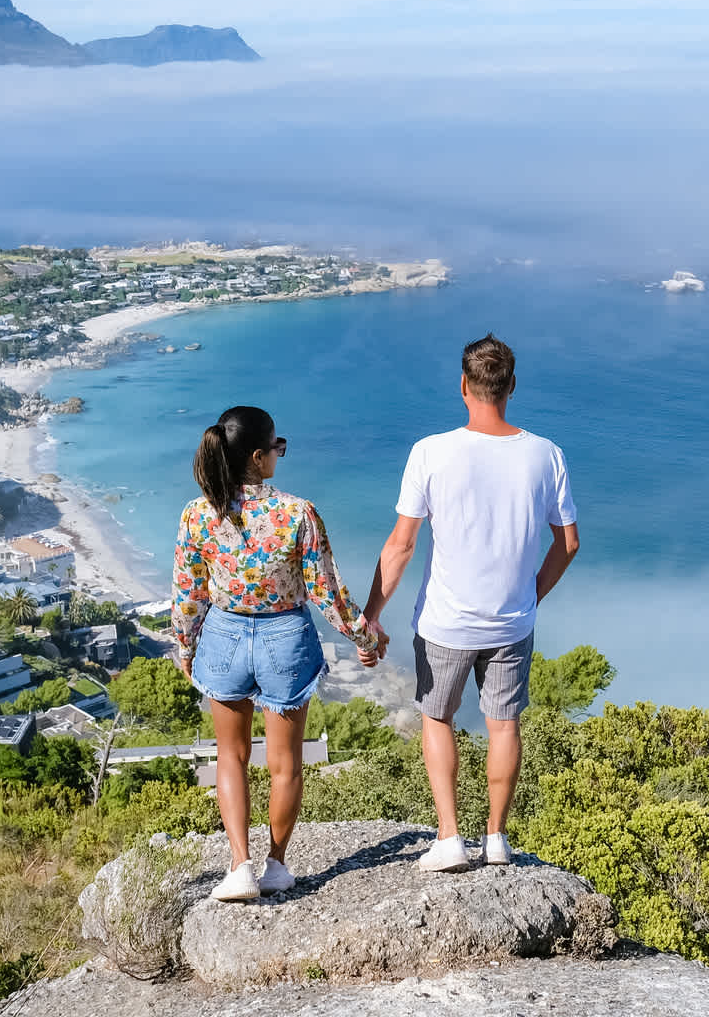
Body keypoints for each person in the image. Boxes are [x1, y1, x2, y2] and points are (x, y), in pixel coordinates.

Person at [364, 335, 579, 871]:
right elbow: (568, 543)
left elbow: (402, 545)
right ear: (511, 387)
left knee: (437, 719)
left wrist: (371, 615)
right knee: (503, 724)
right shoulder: (546, 454)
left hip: (444, 623)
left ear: (464, 386)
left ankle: (448, 839)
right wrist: (530, 595)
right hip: (511, 622)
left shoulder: (430, 452)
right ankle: (498, 839)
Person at [171, 405, 385, 902]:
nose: (279, 456)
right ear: (258, 456)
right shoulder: (298, 512)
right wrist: (366, 639)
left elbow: (188, 593)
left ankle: (238, 866)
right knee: (285, 765)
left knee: (232, 757)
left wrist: (185, 645)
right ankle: (276, 866)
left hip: (222, 636)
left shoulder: (198, 512)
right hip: (284, 638)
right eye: (277, 448)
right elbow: (327, 593)